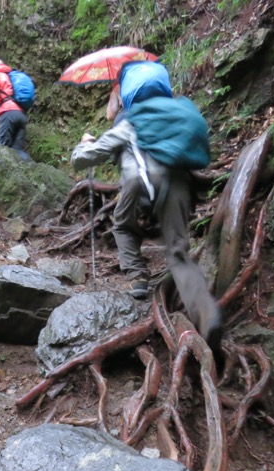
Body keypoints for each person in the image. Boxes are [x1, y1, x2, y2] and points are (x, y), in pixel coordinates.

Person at [70, 84, 223, 355]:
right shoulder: (177, 115)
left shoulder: (132, 121)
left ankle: (137, 277)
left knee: (122, 225)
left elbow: (83, 160)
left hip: (138, 183)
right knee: (178, 253)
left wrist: (84, 145)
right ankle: (207, 316)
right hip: (178, 183)